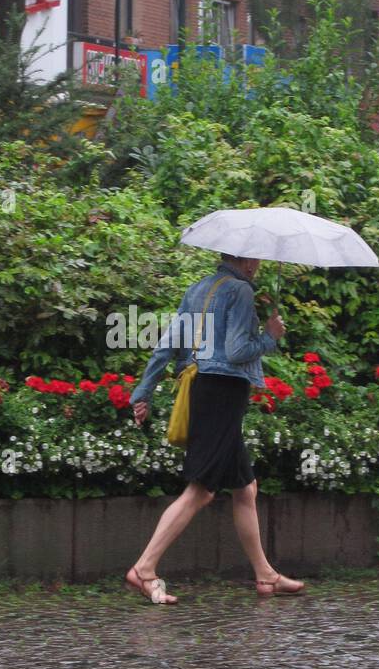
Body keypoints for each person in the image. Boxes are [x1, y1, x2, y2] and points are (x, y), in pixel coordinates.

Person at [125, 253, 306, 604]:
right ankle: (144, 569)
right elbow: (238, 351)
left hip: (203, 389)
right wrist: (269, 337)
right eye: (256, 258)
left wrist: (143, 391)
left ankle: (266, 576)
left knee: (245, 488)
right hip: (223, 393)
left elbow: (167, 345)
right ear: (247, 261)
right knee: (202, 490)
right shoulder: (240, 291)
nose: (259, 264)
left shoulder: (198, 289)